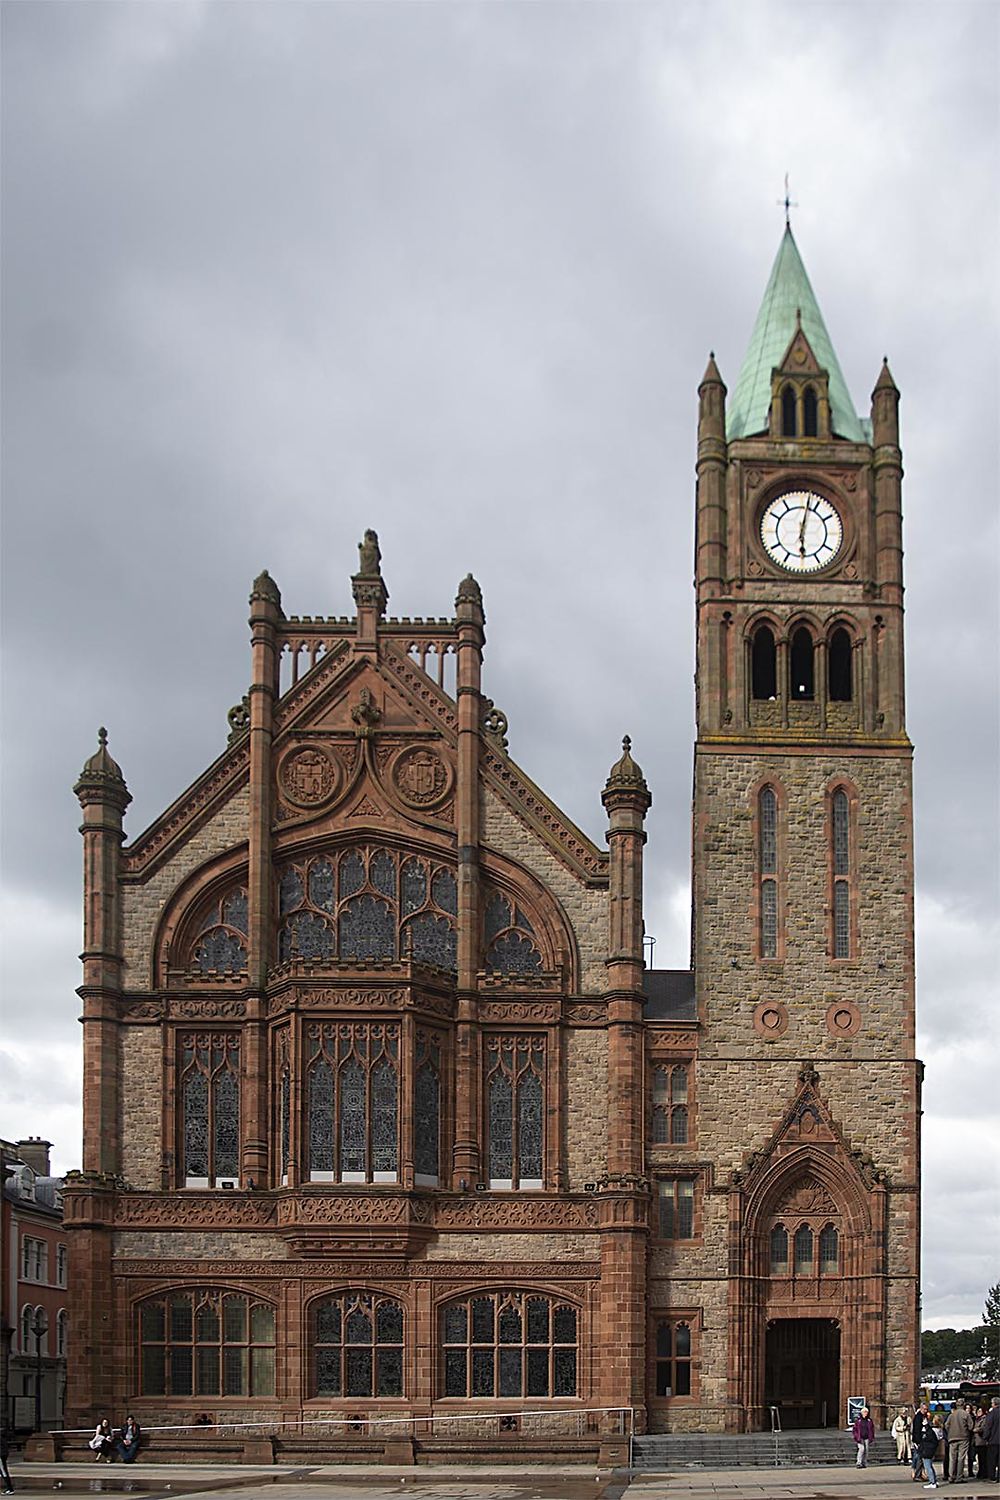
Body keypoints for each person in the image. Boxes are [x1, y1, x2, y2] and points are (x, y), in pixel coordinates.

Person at [945, 1397, 974, 1483]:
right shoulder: (966, 1414)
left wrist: (951, 1431)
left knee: (952, 1458)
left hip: (952, 1438)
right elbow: (971, 1426)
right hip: (963, 1438)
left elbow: (946, 1425)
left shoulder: (951, 1415)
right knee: (961, 1458)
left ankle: (951, 1476)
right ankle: (959, 1477)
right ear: (963, 1404)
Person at [920, 1409, 941, 1489]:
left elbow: (929, 1437)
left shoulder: (931, 1430)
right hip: (930, 1449)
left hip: (927, 1450)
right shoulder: (932, 1429)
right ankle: (934, 1480)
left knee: (928, 1466)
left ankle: (932, 1482)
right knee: (930, 1466)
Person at [983, 1397, 1000, 1484]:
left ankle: (992, 1477)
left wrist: (985, 1437)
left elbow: (988, 1427)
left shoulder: (992, 1413)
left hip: (993, 1440)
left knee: (992, 1460)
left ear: (993, 1404)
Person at [912, 1403, 930, 1483]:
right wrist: (918, 1442)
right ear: (921, 1409)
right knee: (919, 1458)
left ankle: (920, 1474)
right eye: (925, 1409)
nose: (926, 1411)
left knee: (921, 1459)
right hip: (918, 1441)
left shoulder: (923, 1416)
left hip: (922, 1440)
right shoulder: (918, 1417)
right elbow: (916, 1430)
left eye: (927, 1409)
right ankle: (917, 1475)